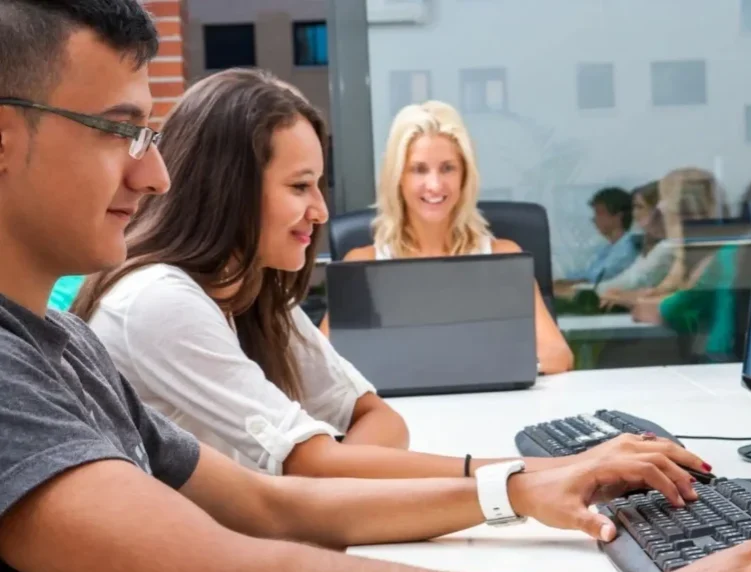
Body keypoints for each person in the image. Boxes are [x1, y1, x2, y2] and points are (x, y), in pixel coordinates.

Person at [0, 2, 751, 572]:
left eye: (148, 137)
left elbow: (274, 505)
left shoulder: (63, 350)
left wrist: (519, 488)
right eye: (119, 131)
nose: (152, 172)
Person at [72, 69, 640, 479]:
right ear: (232, 189)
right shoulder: (159, 302)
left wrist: (335, 467)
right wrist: (529, 479)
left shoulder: (248, 292)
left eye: (317, 185)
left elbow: (376, 420)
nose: (320, 211)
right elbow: (316, 464)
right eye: (300, 187)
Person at [322, 100, 575, 375]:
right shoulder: (362, 264)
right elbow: (321, 365)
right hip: (401, 413)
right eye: (419, 169)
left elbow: (558, 355)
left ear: (464, 175)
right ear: (398, 178)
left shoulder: (504, 257)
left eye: (447, 168)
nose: (435, 185)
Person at [598, 168, 724, 309]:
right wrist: (627, 296)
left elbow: (681, 304)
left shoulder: (713, 259)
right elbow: (666, 289)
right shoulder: (685, 256)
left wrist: (631, 300)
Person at [555, 185, 641, 294]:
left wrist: (562, 284)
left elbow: (595, 279)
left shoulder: (628, 248)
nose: (594, 219)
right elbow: (585, 274)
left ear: (618, 216)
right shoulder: (606, 248)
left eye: (599, 213)